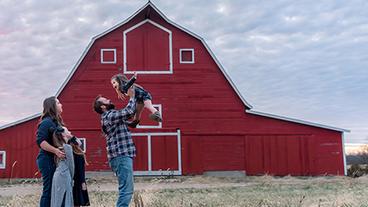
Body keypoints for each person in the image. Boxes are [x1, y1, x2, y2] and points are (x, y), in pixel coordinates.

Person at [93, 87, 136, 207]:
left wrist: (132, 123)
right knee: (126, 190)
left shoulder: (111, 117)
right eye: (105, 100)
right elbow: (127, 112)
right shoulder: (109, 116)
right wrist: (132, 96)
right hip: (121, 155)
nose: (109, 99)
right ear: (102, 106)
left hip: (120, 156)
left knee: (126, 189)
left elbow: (126, 118)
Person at [36, 96, 66, 207]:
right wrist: (55, 151)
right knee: (48, 190)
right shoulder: (46, 122)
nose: (61, 104)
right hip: (46, 160)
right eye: (58, 103)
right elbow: (41, 142)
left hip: (54, 159)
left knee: (57, 189)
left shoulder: (56, 122)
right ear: (52, 106)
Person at [50, 126, 74, 207]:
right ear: (63, 134)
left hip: (57, 175)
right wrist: (71, 178)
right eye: (67, 130)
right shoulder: (67, 147)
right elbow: (71, 165)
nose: (69, 131)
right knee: (66, 199)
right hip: (65, 174)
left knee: (57, 199)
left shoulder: (57, 147)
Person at [68, 136, 90, 207]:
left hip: (70, 179)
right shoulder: (79, 155)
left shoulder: (69, 155)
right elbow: (81, 170)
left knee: (72, 200)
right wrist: (83, 182)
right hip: (78, 181)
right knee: (78, 201)